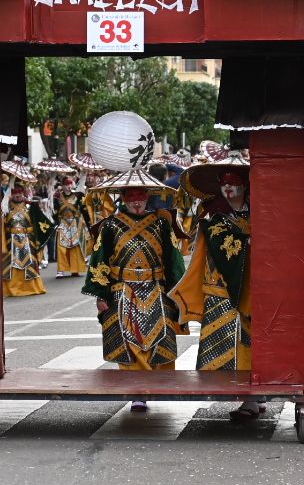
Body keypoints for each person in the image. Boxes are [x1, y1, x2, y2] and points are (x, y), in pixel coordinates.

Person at [85, 164, 186, 411]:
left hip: (156, 287)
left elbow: (174, 259)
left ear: (147, 197)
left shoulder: (162, 223)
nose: (136, 202)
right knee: (129, 340)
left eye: (140, 196)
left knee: (159, 336)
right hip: (122, 289)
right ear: (123, 199)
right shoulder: (109, 226)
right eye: (131, 197)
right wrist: (100, 293)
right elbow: (99, 260)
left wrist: (178, 294)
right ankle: (136, 391)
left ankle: (159, 385)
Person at [173, 159, 257, 420]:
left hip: (253, 286)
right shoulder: (211, 213)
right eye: (224, 184)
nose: (229, 189)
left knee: (251, 340)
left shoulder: (259, 210)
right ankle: (231, 392)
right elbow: (195, 239)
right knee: (220, 339)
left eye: (234, 184)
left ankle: (254, 396)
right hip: (218, 286)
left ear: (245, 186)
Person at [1, 173, 51, 297]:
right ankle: (12, 289)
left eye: (19, 192)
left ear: (23, 193)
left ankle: (32, 288)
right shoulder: (5, 208)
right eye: (14, 193)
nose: (17, 195)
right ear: (11, 194)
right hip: (11, 240)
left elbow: (41, 223)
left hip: (28, 240)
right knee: (11, 265)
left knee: (29, 265)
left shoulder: (31, 206)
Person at [52, 182, 92, 278]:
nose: (68, 186)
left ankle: (75, 269)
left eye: (70, 184)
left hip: (75, 223)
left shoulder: (77, 195)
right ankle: (61, 270)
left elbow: (83, 209)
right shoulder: (57, 197)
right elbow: (54, 212)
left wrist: (89, 223)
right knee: (61, 247)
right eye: (66, 184)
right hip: (63, 223)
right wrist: (55, 224)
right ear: (63, 186)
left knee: (75, 247)